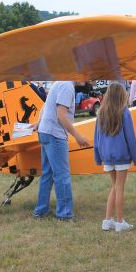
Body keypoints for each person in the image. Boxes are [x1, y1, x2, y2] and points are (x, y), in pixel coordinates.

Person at [32, 81, 91, 220]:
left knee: (47, 174)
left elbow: (46, 105)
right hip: (55, 135)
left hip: (45, 132)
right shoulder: (67, 87)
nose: (87, 79)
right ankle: (64, 214)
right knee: (62, 176)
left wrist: (39, 123)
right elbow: (61, 115)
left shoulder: (58, 83)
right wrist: (78, 136)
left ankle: (41, 211)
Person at [94, 83, 136, 232]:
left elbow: (96, 139)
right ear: (121, 95)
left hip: (107, 157)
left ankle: (107, 221)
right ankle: (120, 222)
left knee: (114, 187)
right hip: (121, 157)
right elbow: (131, 138)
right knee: (119, 187)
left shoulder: (101, 113)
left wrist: (97, 158)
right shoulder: (124, 112)